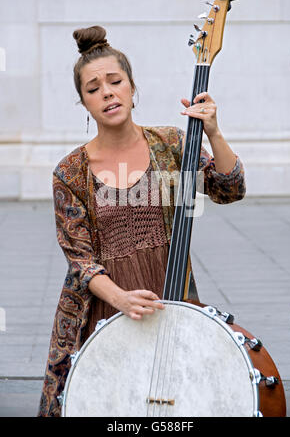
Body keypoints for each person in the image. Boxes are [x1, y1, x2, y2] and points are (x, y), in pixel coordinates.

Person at [38, 25, 246, 417]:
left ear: (132, 88)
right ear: (84, 103)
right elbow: (79, 259)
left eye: (115, 81)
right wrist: (120, 300)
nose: (107, 93)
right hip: (104, 309)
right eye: (93, 88)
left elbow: (230, 189)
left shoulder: (171, 144)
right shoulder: (69, 171)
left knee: (178, 406)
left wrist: (214, 132)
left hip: (170, 299)